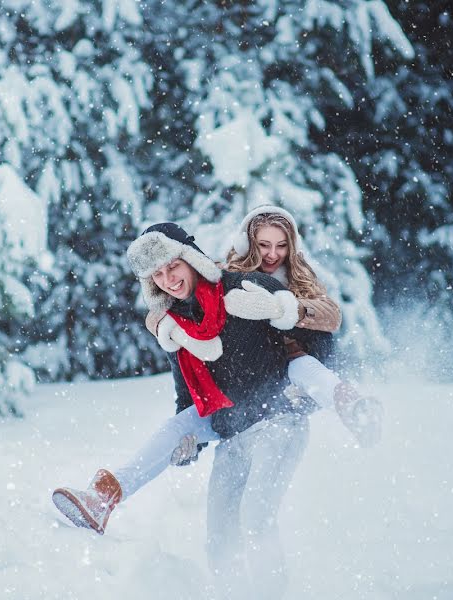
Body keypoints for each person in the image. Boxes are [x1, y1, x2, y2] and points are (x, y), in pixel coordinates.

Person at [53, 222, 327, 597]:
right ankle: (104, 498)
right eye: (158, 274)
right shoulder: (175, 325)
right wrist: (188, 449)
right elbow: (187, 397)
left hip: (276, 419)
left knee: (257, 519)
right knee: (219, 538)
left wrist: (314, 394)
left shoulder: (242, 287)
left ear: (190, 259)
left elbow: (314, 335)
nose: (168, 279)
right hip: (229, 430)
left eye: (173, 267)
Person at [145, 205, 382, 447]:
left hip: (292, 363)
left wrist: (286, 309)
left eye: (281, 245)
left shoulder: (299, 277)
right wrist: (159, 321)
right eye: (263, 245)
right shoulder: (230, 274)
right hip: (252, 374)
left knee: (306, 367)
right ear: (248, 244)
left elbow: (331, 315)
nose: (272, 254)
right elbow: (186, 294)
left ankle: (355, 410)